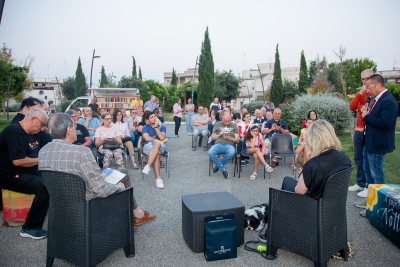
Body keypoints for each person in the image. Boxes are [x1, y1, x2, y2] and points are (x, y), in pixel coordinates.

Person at [38, 113, 156, 230]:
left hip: (62, 202)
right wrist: (119, 188)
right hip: (87, 202)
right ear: (69, 130)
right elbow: (100, 190)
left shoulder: (43, 151)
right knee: (121, 181)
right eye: (74, 127)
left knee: (123, 171)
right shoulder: (81, 152)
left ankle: (137, 213)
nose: (75, 129)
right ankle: (128, 219)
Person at [258, 119, 352, 243]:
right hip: (333, 206)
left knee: (285, 187)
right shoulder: (344, 158)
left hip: (313, 208)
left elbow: (299, 191)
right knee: (288, 181)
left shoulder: (313, 164)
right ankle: (275, 228)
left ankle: (273, 232)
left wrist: (304, 173)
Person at [0, 108, 49, 239]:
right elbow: (18, 161)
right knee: (43, 187)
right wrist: (42, 160)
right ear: (33, 119)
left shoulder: (33, 132)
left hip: (27, 170)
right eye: (42, 124)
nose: (42, 128)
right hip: (9, 174)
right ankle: (30, 227)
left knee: (53, 178)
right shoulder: (14, 131)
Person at [358, 74, 398, 217]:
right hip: (369, 143)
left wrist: (367, 116)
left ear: (377, 85)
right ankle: (370, 203)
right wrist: (367, 114)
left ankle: (379, 208)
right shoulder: (376, 99)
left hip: (378, 145)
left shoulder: (388, 101)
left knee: (376, 176)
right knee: (368, 173)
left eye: (369, 87)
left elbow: (386, 123)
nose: (367, 90)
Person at [348, 69, 373, 196]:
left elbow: (368, 109)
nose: (364, 81)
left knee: (367, 159)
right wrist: (359, 93)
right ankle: (360, 183)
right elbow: (352, 106)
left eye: (367, 79)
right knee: (358, 157)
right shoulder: (361, 93)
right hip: (358, 130)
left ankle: (369, 185)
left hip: (367, 130)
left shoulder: (373, 93)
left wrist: (361, 106)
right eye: (363, 79)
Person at [141, 111, 168, 189]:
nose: (154, 118)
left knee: (157, 145)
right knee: (156, 154)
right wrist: (158, 140)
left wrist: (156, 128)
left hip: (160, 146)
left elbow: (162, 137)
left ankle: (148, 165)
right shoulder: (145, 127)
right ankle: (158, 179)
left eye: (154, 116)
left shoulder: (162, 127)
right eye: (151, 117)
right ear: (147, 120)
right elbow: (146, 138)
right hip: (148, 146)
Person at [208, 113, 239, 179]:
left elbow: (237, 140)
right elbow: (213, 137)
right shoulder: (218, 124)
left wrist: (229, 138)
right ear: (222, 119)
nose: (227, 123)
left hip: (229, 144)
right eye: (225, 121)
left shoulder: (234, 125)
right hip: (218, 144)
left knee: (231, 152)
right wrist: (220, 134)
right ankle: (223, 169)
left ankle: (218, 166)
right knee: (210, 152)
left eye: (229, 121)